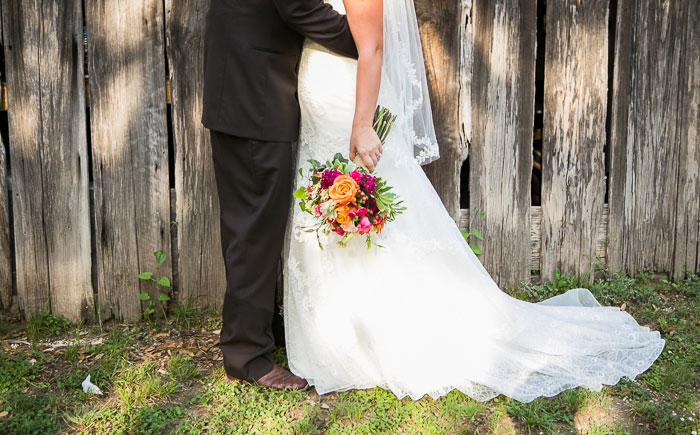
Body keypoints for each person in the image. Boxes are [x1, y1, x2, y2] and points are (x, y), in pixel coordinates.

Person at [283, 0, 666, 402]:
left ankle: (384, 333)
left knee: (362, 212)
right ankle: (338, 336)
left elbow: (373, 47)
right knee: (329, 212)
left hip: (349, 104)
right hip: (324, 104)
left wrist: (363, 124)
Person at [201, 0, 382, 390]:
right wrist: (364, 39)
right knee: (253, 229)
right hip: (255, 99)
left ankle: (257, 331)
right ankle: (247, 356)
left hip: (244, 89)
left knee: (254, 225)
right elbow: (297, 6)